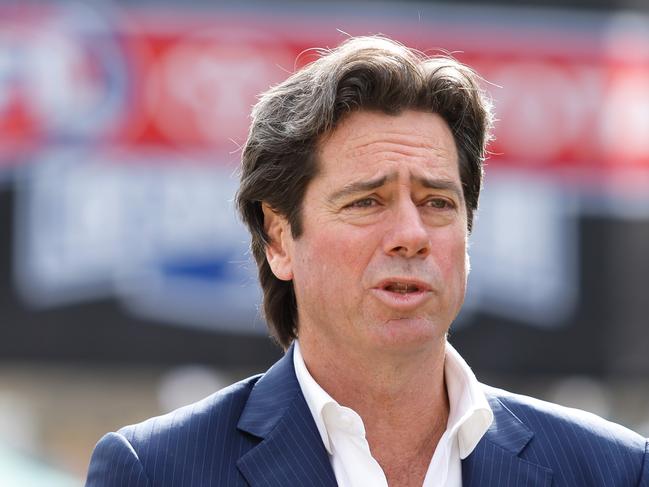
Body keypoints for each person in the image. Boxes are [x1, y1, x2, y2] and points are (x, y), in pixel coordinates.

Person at [85, 36, 648, 487]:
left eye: (437, 203)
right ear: (279, 239)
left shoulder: (614, 471)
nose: (411, 234)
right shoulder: (156, 470)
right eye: (366, 202)